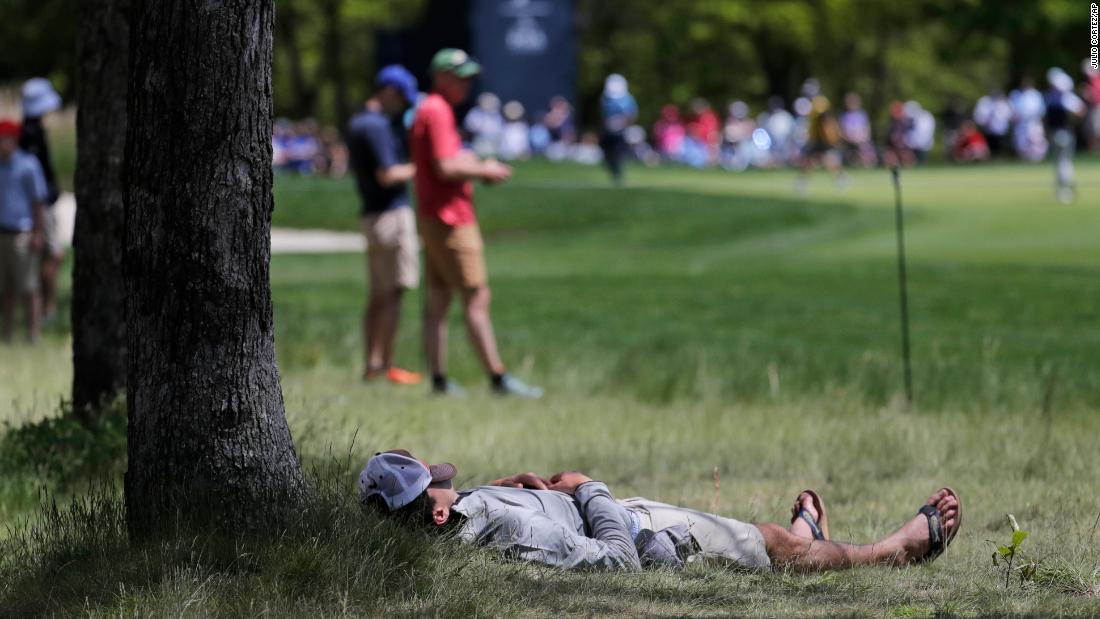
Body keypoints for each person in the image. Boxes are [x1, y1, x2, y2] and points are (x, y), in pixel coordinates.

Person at [359, 450, 963, 572]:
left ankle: (808, 536)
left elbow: (486, 508)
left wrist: (527, 487)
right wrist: (590, 488)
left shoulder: (465, 514)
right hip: (640, 529)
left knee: (773, 536)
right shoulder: (509, 532)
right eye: (439, 489)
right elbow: (616, 564)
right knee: (771, 545)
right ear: (438, 517)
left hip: (602, 512)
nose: (449, 485)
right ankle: (896, 550)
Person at [409, 48, 543, 398]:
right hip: (451, 219)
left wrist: (469, 160)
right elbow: (446, 168)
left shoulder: (432, 109)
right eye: (460, 76)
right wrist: (486, 169)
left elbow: (447, 159)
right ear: (441, 77)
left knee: (438, 300)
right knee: (476, 296)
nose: (467, 82)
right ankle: (498, 378)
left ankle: (439, 380)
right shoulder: (437, 109)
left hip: (434, 217)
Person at [345, 65, 423, 385]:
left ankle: (372, 363)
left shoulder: (357, 122)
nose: (405, 105)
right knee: (394, 293)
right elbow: (388, 174)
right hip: (391, 215)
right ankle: (385, 365)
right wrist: (423, 168)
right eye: (403, 98)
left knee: (378, 294)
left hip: (371, 215)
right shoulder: (376, 126)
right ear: (389, 92)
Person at [0, 119, 48, 344]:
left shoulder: (28, 165)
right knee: (6, 288)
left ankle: (34, 334)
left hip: (23, 232)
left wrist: (39, 233)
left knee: (29, 286)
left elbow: (38, 201)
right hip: (2, 233)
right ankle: (7, 334)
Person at [19, 78, 63, 324]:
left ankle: (45, 308)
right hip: (41, 204)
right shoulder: (30, 137)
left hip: (44, 202)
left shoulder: (30, 134)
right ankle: (46, 308)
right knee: (53, 254)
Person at [1044, 67, 1086, 204]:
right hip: (1064, 132)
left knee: (1061, 161)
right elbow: (1081, 111)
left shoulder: (1050, 97)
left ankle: (1064, 188)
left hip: (1057, 132)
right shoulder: (1066, 98)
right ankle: (1066, 187)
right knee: (1064, 160)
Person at [598, 74, 637, 185]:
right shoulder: (605, 98)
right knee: (607, 154)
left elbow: (632, 115)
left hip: (621, 133)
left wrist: (620, 123)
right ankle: (613, 173)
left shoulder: (628, 100)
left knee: (617, 155)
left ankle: (618, 176)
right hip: (608, 132)